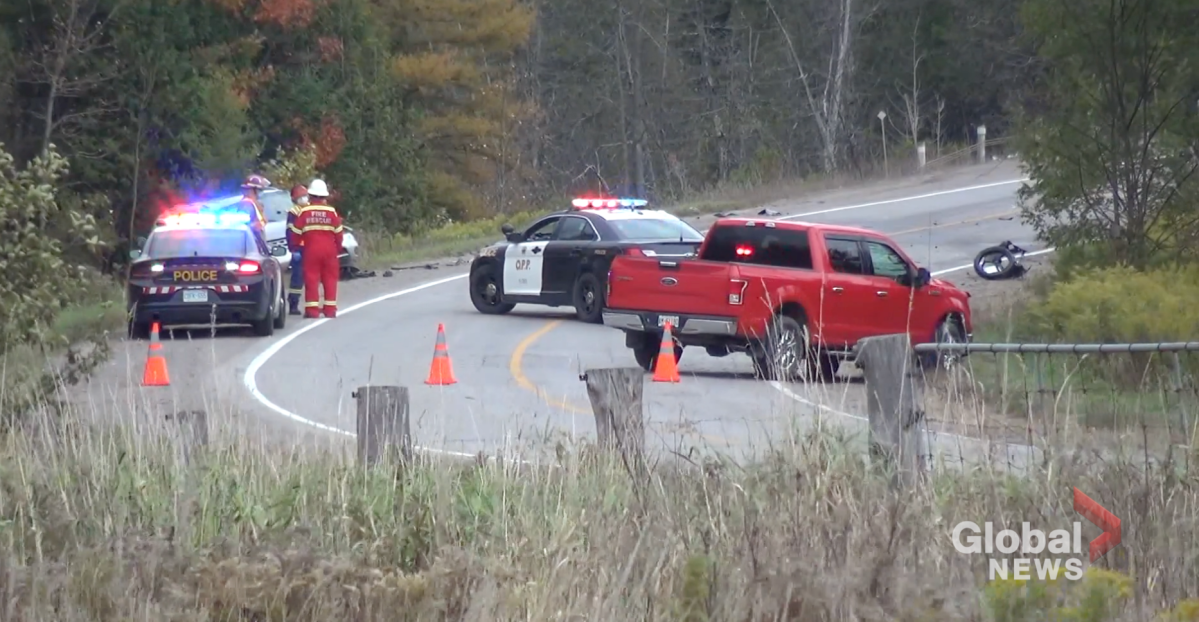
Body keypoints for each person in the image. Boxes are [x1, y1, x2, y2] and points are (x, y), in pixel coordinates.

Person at [288, 178, 343, 318]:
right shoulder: (332, 212)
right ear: (324, 196)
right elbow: (339, 233)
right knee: (330, 279)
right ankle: (330, 310)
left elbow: (296, 232)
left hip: (311, 251)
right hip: (330, 251)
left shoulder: (305, 212)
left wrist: (294, 247)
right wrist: (337, 249)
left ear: (311, 195)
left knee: (311, 279)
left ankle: (312, 311)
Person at [286, 184, 309, 315]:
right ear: (295, 199)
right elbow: (290, 232)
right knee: (297, 278)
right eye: (301, 197)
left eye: (305, 196)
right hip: (299, 249)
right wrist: (293, 249)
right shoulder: (293, 213)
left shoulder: (310, 210)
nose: (304, 199)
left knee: (310, 277)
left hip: (310, 248)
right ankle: (293, 304)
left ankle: (311, 304)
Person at [240, 174, 272, 239]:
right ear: (253, 190)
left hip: (257, 239)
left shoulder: (254, 203)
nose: (260, 192)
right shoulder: (247, 205)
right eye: (259, 190)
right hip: (254, 240)